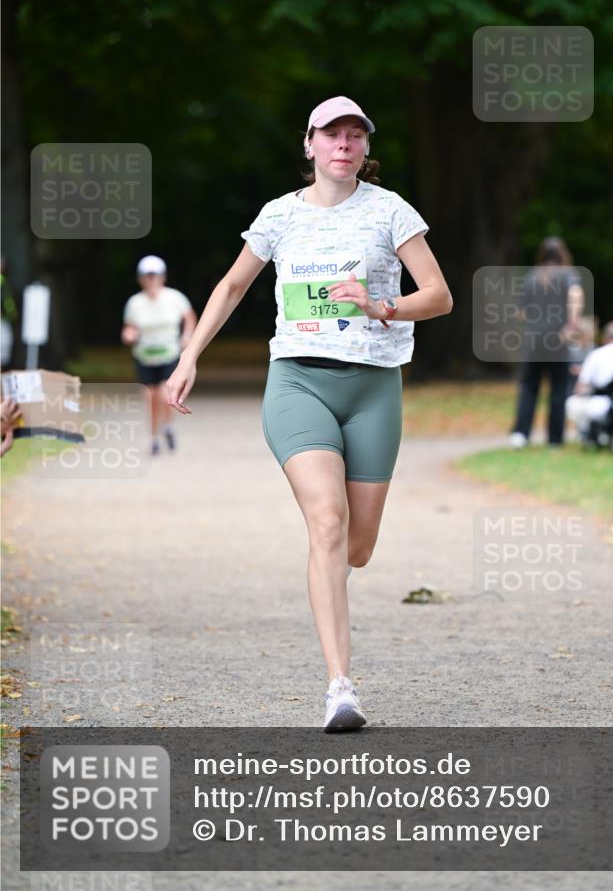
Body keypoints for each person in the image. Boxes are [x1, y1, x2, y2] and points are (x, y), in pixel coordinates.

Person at [165, 96, 453, 732]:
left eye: (355, 136)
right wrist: (189, 357)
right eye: (331, 135)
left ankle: (334, 579)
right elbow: (234, 285)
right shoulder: (279, 216)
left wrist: (383, 306)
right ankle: (340, 688)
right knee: (326, 522)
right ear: (310, 145)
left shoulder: (390, 211)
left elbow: (439, 296)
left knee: (357, 544)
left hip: (374, 387)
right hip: (298, 383)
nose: (343, 146)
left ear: (364, 150)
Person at [509, 237, 584, 448]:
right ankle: (554, 439)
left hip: (533, 339)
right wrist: (571, 324)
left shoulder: (532, 276)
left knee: (528, 387)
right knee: (559, 388)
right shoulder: (568, 275)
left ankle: (520, 435)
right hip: (557, 339)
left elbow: (520, 311)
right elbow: (576, 295)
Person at [121, 255, 197, 456]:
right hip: (144, 356)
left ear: (162, 277)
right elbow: (129, 327)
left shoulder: (175, 298)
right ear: (141, 279)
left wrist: (187, 336)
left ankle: (168, 426)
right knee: (150, 398)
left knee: (164, 394)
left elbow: (189, 317)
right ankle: (154, 438)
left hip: (169, 353)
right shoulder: (135, 303)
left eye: (155, 276)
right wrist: (129, 335)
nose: (151, 280)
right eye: (147, 276)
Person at [564, 321, 613, 438]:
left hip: (602, 405)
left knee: (571, 403)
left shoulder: (596, 354)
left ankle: (588, 433)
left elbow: (580, 387)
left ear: (605, 338)